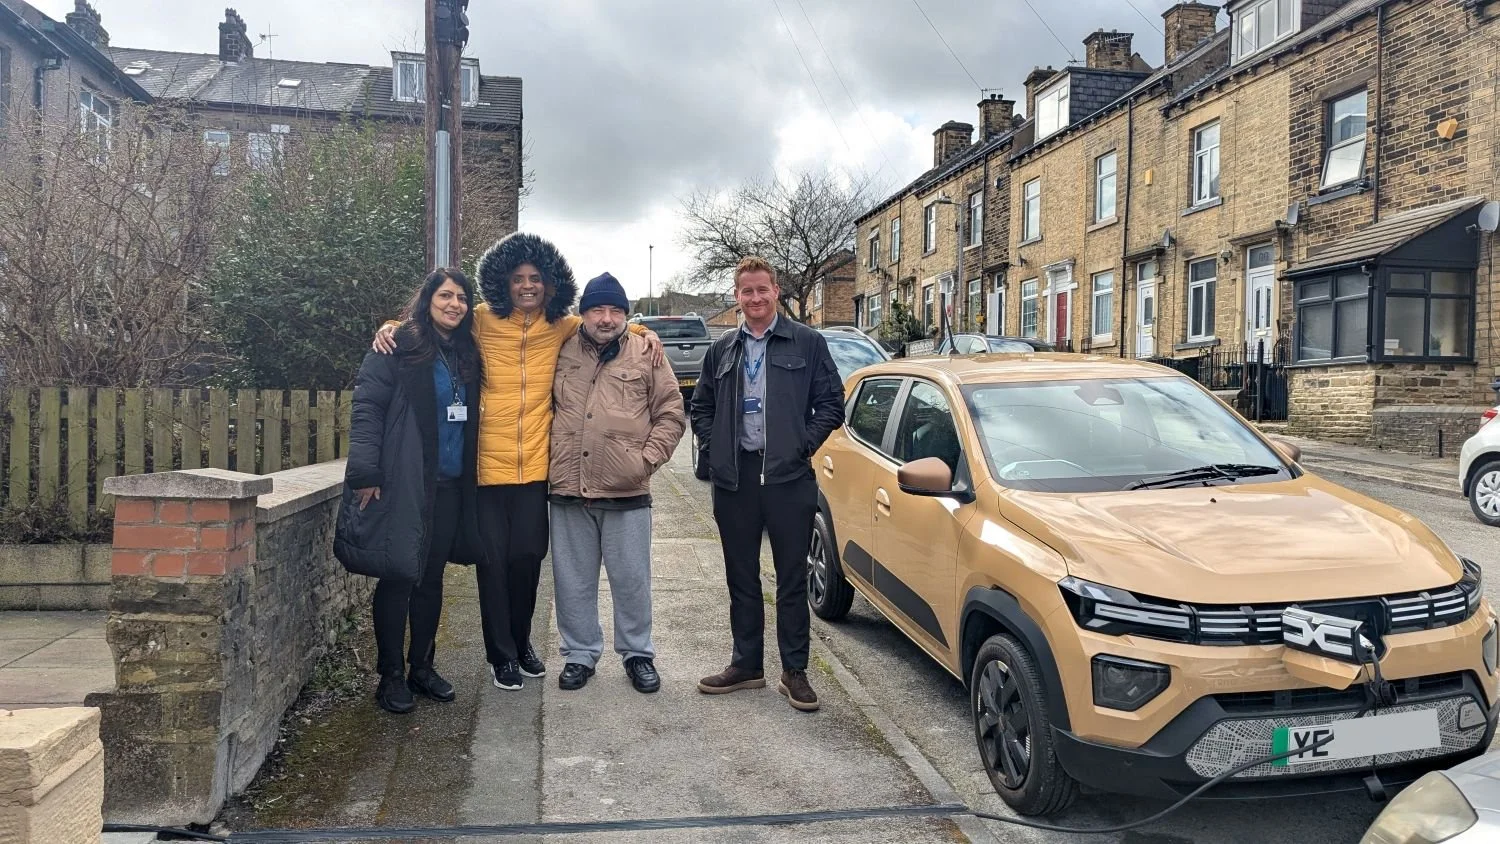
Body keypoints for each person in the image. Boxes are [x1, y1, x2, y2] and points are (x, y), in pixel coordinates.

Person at [372, 233, 661, 691]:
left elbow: (606, 325)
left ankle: (523, 640)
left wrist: (644, 331)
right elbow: (436, 320)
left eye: (536, 279)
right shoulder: (482, 320)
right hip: (486, 468)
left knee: (528, 558)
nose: (527, 286)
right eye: (518, 279)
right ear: (503, 284)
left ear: (550, 284)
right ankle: (501, 654)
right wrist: (392, 325)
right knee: (493, 562)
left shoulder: (561, 325)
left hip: (536, 469)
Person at [690, 256, 845, 712]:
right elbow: (701, 405)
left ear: (775, 291)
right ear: (737, 298)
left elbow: (832, 404)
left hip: (788, 479)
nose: (754, 298)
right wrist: (716, 447)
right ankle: (747, 665)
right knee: (741, 576)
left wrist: (802, 445)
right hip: (735, 480)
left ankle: (794, 672)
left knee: (792, 580)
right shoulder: (722, 349)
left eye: (762, 290)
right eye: (746, 292)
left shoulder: (807, 342)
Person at [339, 268, 483, 714]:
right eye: (445, 295)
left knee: (431, 579)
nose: (454, 304)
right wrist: (365, 474)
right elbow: (367, 407)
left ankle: (422, 666)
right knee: (399, 576)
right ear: (428, 299)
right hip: (404, 482)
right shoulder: (397, 346)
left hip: (450, 486)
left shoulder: (466, 351)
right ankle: (391, 675)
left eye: (461, 297)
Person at [548, 272, 686, 693]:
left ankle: (638, 653)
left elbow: (671, 413)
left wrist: (644, 462)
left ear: (626, 315)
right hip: (568, 487)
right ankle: (579, 654)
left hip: (627, 490)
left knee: (632, 579)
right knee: (572, 579)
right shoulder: (560, 348)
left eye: (615, 310)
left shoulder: (647, 352)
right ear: (582, 313)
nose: (606, 318)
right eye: (597, 309)